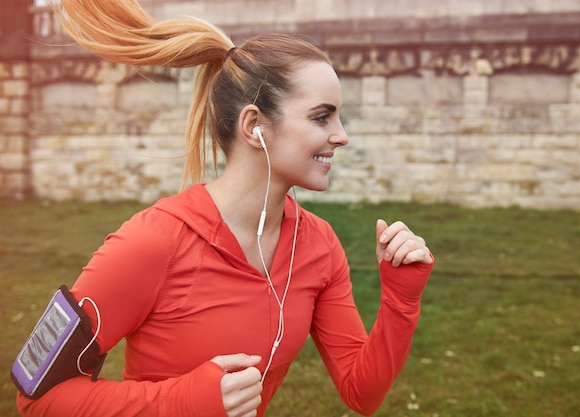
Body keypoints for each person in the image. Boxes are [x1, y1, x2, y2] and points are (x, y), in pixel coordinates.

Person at [16, 1, 434, 416]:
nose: (341, 136)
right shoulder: (152, 241)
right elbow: (36, 397)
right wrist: (182, 402)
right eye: (322, 117)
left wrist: (401, 297)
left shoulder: (319, 245)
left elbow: (362, 393)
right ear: (254, 126)